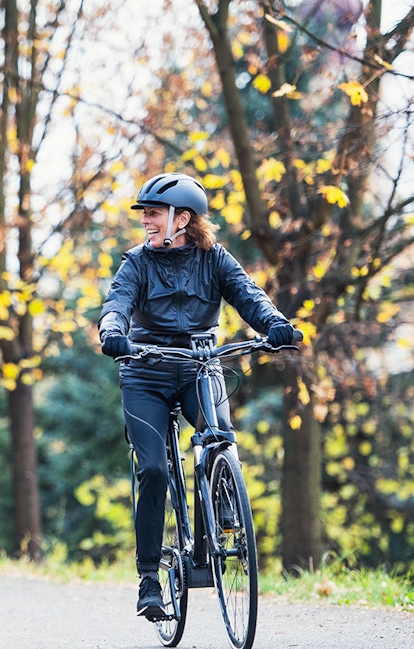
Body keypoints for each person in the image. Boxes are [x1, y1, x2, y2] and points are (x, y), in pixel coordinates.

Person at [97, 172, 295, 619]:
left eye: (153, 213)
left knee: (220, 434)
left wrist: (275, 324)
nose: (145, 221)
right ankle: (149, 577)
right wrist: (113, 331)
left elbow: (249, 296)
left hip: (198, 367)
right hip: (145, 373)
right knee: (152, 468)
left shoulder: (216, 260)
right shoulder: (136, 262)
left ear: (181, 218)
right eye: (145, 213)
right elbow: (117, 303)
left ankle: (224, 503)